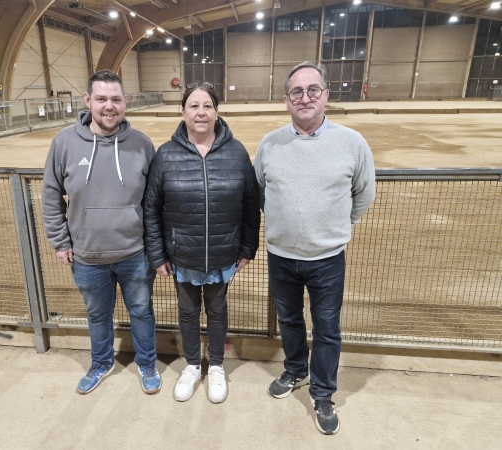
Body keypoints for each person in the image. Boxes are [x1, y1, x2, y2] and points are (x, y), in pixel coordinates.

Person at [255, 62, 375, 434]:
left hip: (327, 260)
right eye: (296, 92)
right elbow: (261, 191)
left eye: (312, 90)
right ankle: (295, 370)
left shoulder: (352, 142)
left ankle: (323, 394)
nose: (304, 98)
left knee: (326, 329)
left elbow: (363, 194)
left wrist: (334, 227)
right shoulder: (270, 143)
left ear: (325, 95)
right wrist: (285, 224)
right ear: (286, 99)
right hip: (281, 257)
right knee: (288, 320)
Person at [42, 70, 161, 395]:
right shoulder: (64, 143)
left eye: (116, 99)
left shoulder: (141, 144)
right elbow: (52, 194)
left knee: (141, 310)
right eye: (102, 99)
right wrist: (60, 241)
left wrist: (156, 246)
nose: (109, 106)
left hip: (135, 254)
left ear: (125, 102)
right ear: (88, 101)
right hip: (87, 255)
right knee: (97, 314)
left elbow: (154, 200)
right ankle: (101, 362)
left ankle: (147, 362)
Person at [144, 82, 260, 403]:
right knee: (187, 311)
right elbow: (151, 208)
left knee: (218, 309)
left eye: (207, 106)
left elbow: (251, 204)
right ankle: (194, 364)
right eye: (194, 106)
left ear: (217, 111)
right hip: (182, 255)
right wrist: (157, 254)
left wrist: (247, 247)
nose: (201, 112)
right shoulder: (165, 155)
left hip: (224, 253)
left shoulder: (236, 152)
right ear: (182, 112)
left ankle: (218, 365)